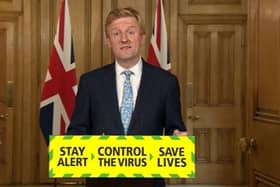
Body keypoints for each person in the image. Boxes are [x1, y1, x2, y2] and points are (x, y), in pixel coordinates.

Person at [67, 7, 187, 187]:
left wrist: (177, 138)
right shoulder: (90, 82)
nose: (124, 39)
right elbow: (77, 130)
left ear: (142, 37)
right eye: (116, 34)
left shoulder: (166, 82)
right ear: (108, 41)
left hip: (148, 182)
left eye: (131, 32)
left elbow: (174, 128)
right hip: (102, 182)